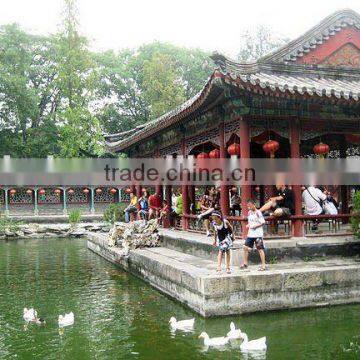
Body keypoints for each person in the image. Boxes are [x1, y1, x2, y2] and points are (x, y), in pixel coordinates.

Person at [241, 199, 266, 271]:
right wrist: (248, 225)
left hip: (258, 234)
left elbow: (262, 222)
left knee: (260, 249)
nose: (249, 208)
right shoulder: (249, 213)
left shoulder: (258, 213)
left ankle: (263, 265)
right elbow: (250, 221)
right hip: (250, 234)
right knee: (245, 247)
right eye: (248, 206)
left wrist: (255, 226)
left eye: (250, 206)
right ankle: (245, 263)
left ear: (253, 204)